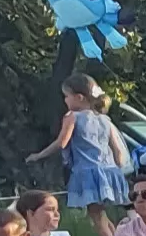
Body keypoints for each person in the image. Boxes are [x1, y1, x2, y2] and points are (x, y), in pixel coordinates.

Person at [31, 73, 127, 210]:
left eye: (67, 96)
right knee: (101, 214)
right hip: (109, 171)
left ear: (79, 97)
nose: (65, 100)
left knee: (97, 216)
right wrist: (118, 169)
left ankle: (112, 233)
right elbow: (117, 150)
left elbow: (61, 143)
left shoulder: (73, 117)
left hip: (88, 173)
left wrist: (39, 155)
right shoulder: (105, 119)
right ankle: (114, 233)